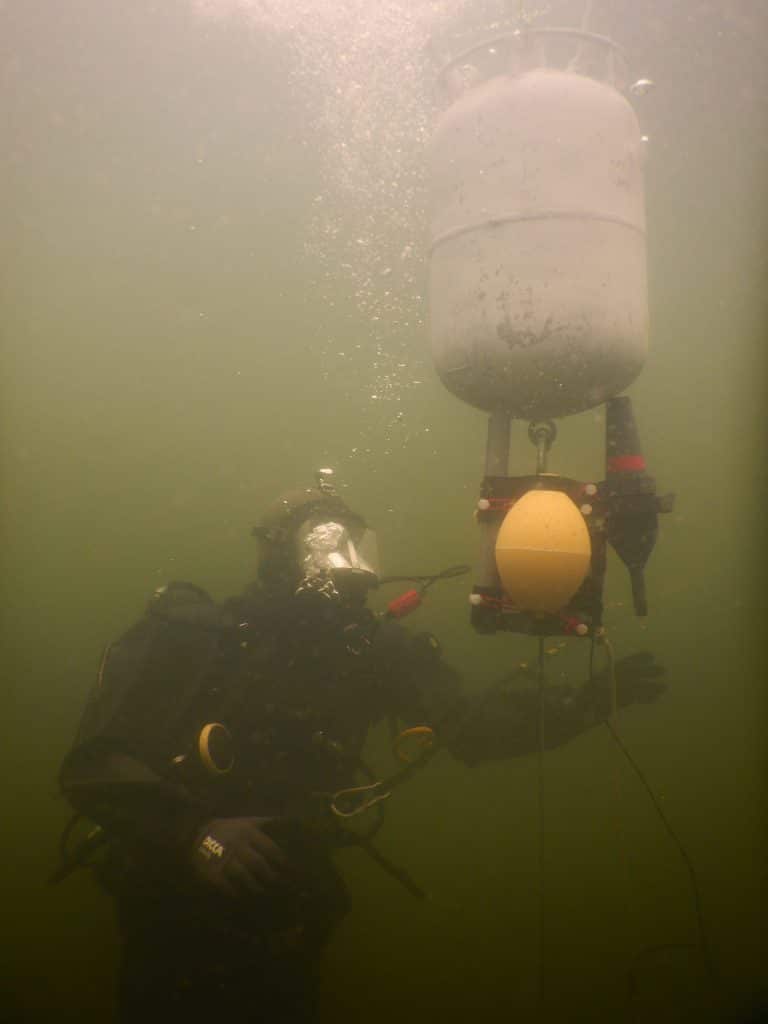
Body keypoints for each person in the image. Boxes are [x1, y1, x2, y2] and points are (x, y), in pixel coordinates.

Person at [58, 474, 666, 1023]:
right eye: (316, 542)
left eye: (346, 543)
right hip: (173, 919)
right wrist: (195, 833)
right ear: (275, 553)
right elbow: (92, 765)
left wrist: (592, 698)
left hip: (288, 916)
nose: (333, 562)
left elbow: (474, 728)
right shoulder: (196, 636)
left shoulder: (369, 650)